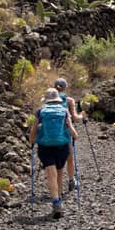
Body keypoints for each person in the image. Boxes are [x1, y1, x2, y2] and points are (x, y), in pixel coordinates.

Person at [29, 88, 78, 219]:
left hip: (45, 147)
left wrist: (31, 141)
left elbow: (34, 130)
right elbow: (73, 132)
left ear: (46, 100)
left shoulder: (40, 112)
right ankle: (59, 199)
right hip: (62, 147)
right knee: (59, 173)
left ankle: (56, 203)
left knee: (51, 174)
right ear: (57, 99)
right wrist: (74, 135)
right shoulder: (64, 111)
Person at [54, 77, 86, 192]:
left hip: (51, 135)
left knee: (55, 162)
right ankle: (71, 180)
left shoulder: (47, 100)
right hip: (65, 134)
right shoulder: (69, 100)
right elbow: (75, 118)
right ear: (65, 87)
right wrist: (82, 115)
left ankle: (56, 187)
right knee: (69, 158)